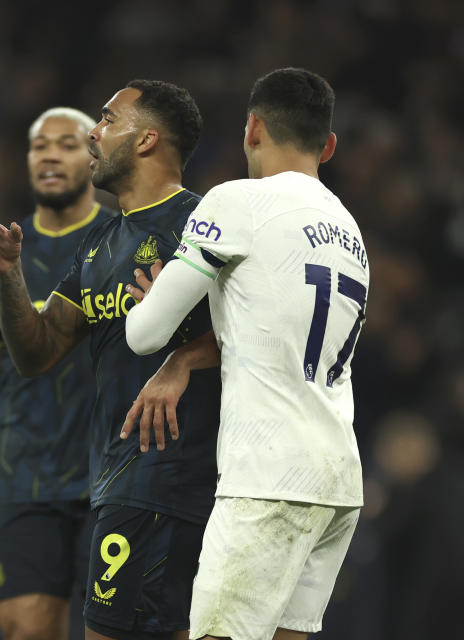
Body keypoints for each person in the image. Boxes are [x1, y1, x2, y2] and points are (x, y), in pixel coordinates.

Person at [123, 68, 366, 640]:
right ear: (327, 145)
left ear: (252, 128)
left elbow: (142, 334)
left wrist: (160, 301)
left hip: (268, 475)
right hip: (338, 481)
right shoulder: (350, 231)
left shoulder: (238, 202)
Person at [0, 80, 222, 640]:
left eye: (106, 120)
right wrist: (9, 276)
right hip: (117, 475)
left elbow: (264, 328)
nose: (92, 133)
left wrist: (183, 359)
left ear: (146, 140)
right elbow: (39, 351)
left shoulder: (204, 223)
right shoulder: (98, 245)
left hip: (177, 474)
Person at [0, 107, 114, 640]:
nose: (49, 154)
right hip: (23, 480)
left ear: (94, 156)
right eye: (38, 145)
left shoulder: (127, 238)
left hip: (112, 478)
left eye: (67, 144)